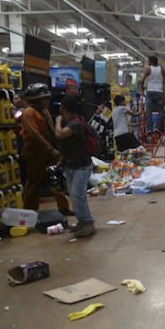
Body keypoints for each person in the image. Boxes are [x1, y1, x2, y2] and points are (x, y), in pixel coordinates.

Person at [19, 83, 72, 214]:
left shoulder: (45, 112)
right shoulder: (29, 113)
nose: (47, 101)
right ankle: (29, 213)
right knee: (33, 184)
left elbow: (52, 130)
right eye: (44, 99)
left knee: (55, 180)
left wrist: (57, 146)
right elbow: (34, 135)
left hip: (48, 152)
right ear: (36, 100)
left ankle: (63, 207)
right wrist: (51, 150)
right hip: (34, 152)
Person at [54, 96, 96, 238]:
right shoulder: (71, 122)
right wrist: (60, 162)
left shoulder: (75, 124)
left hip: (81, 166)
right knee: (74, 195)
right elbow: (67, 147)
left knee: (78, 195)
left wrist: (57, 121)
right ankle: (82, 222)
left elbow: (59, 134)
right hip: (71, 165)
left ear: (63, 108)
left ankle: (88, 224)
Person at [140, 55, 165, 134]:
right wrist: (164, 83)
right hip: (159, 92)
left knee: (149, 111)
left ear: (150, 61)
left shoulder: (148, 68)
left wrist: (142, 87)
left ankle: (149, 129)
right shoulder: (161, 69)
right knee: (161, 111)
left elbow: (142, 80)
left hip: (150, 92)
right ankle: (158, 128)